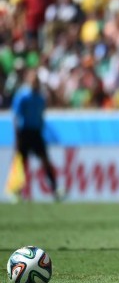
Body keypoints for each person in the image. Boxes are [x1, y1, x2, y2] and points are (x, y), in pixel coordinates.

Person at [11, 69, 61, 201]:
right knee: (22, 162)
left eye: (36, 80)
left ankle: (55, 189)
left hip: (36, 133)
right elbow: (16, 116)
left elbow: (41, 115)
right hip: (25, 132)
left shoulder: (40, 98)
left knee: (45, 160)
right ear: (28, 81)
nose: (35, 82)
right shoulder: (22, 96)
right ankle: (17, 190)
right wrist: (17, 136)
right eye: (33, 80)